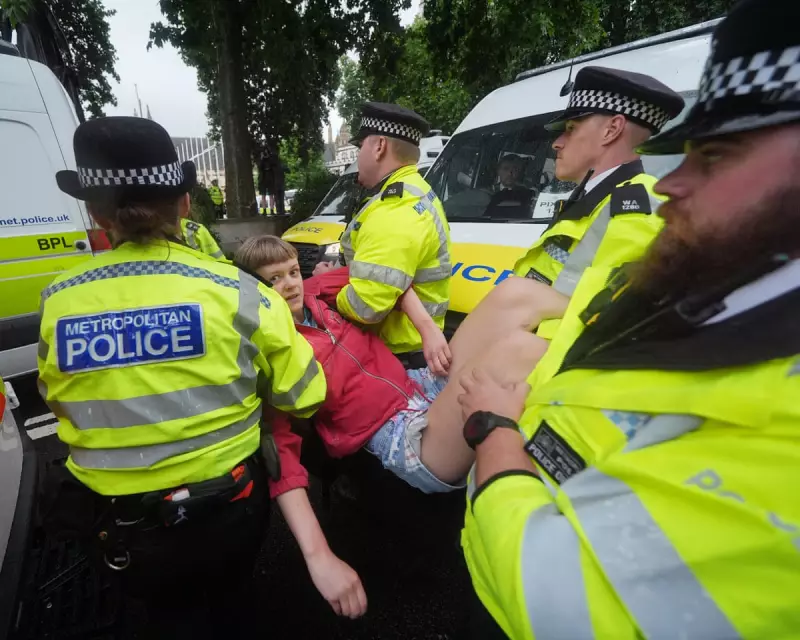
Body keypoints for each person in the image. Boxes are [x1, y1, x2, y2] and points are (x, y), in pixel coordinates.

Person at [458, 0, 800, 637]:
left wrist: (495, 432)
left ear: (612, 129)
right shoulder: (727, 276)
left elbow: (564, 601)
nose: (674, 183)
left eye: (717, 159)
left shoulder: (634, 212)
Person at [38, 117, 326, 640]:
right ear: (185, 204)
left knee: (169, 617)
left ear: (95, 212)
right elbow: (305, 396)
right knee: (234, 602)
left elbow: (57, 401)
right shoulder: (238, 291)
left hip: (123, 530)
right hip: (230, 513)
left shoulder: (58, 302)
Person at [234, 236, 553, 609]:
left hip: (418, 383)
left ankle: (620, 320)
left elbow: (388, 281)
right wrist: (319, 557)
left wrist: (428, 328)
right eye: (272, 280)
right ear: (253, 290)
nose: (289, 284)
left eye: (291, 272)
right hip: (399, 434)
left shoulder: (318, 292)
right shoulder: (271, 353)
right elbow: (282, 461)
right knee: (518, 352)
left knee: (515, 294)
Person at [488, 66, 685, 343]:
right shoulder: (595, 197)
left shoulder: (637, 211)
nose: (557, 143)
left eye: (571, 129)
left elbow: (599, 327)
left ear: (612, 129)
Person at [314, 102, 452, 368]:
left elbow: (367, 305)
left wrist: (329, 284)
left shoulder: (395, 208)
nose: (358, 157)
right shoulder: (416, 191)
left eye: (360, 147)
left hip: (397, 359)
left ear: (379, 146)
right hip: (410, 350)